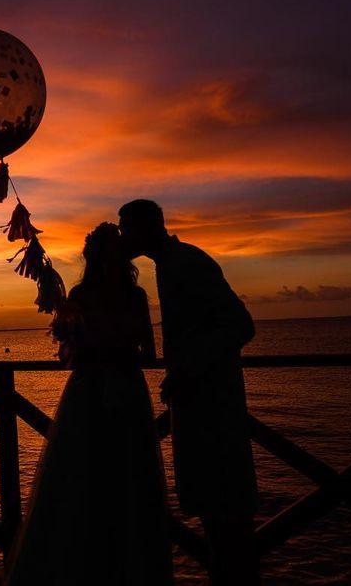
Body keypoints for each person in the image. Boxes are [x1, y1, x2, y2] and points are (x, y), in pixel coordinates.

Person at [6, 223, 173, 585]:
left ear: (89, 257)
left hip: (87, 390)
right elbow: (149, 351)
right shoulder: (136, 296)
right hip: (126, 387)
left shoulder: (82, 293)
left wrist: (76, 330)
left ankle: (78, 566)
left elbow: (70, 350)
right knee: (127, 477)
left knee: (79, 477)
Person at [118, 199, 259, 586]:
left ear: (146, 228)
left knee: (226, 511)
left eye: (125, 228)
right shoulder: (168, 265)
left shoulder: (188, 263)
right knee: (216, 510)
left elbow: (240, 325)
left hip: (214, 405)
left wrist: (189, 370)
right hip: (198, 403)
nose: (122, 236)